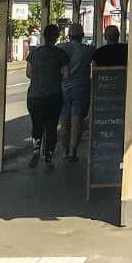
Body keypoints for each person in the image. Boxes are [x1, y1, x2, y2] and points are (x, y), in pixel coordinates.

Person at [25, 23, 69, 170]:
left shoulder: (34, 53)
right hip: (53, 95)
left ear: (43, 36)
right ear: (56, 37)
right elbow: (66, 74)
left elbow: (29, 73)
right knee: (51, 126)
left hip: (34, 96)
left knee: (37, 124)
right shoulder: (60, 54)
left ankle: (36, 149)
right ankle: (48, 156)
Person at [58, 22, 93, 163]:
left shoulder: (60, 48)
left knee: (64, 121)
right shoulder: (89, 50)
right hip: (81, 87)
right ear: (83, 35)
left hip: (63, 87)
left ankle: (65, 151)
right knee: (77, 120)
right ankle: (73, 152)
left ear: (68, 35)